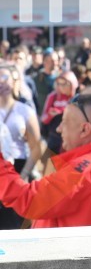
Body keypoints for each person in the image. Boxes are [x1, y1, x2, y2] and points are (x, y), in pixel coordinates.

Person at [0, 93, 91, 228]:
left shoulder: (83, 171)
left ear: (84, 129)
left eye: (64, 122)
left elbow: (29, 200)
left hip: (71, 242)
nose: (59, 129)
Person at [0, 65, 42, 229]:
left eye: (5, 78)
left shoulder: (24, 110)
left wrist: (24, 174)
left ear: (14, 81)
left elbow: (36, 147)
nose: (1, 82)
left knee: (14, 223)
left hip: (17, 168)